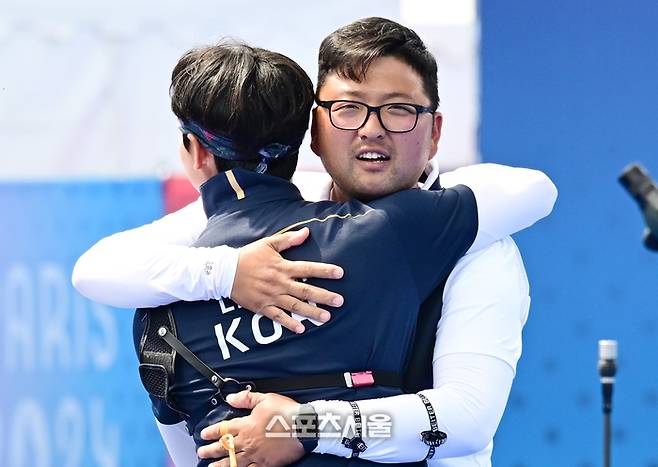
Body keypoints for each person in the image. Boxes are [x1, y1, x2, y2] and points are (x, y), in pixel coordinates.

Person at [72, 18, 556, 467]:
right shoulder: (273, 211)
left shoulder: (478, 247)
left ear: (434, 132)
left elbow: (465, 420)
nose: (372, 128)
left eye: (399, 110)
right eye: (349, 108)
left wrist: (301, 425)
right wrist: (229, 274)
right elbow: (100, 267)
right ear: (314, 130)